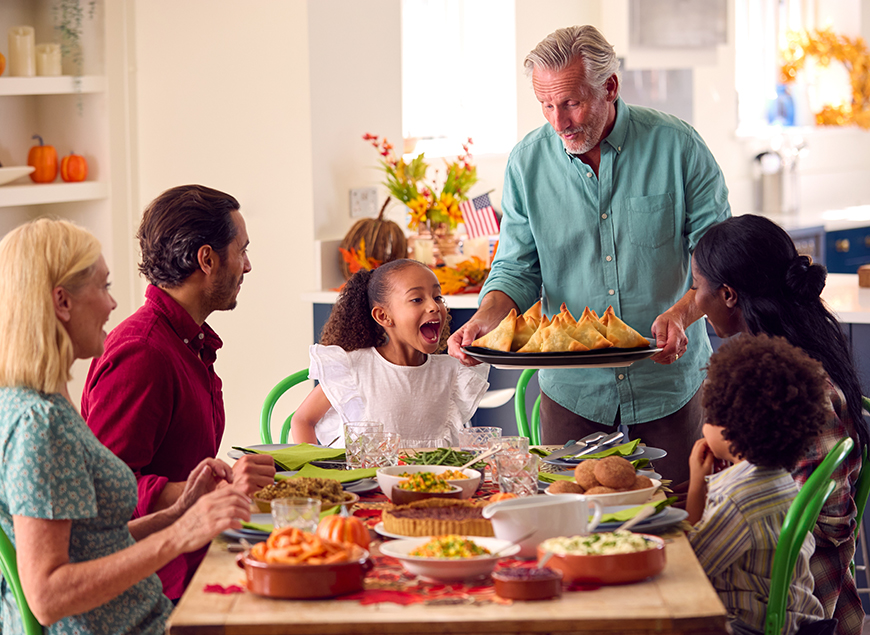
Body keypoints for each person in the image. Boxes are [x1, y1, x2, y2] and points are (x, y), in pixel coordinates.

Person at [447, 25, 730, 485]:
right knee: (569, 529)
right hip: (572, 394)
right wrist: (486, 319)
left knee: (677, 525)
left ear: (610, 88)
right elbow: (516, 269)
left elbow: (717, 263)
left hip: (668, 384)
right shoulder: (527, 162)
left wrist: (680, 314)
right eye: (546, 105)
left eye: (572, 102)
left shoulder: (679, 147)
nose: (559, 121)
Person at [0, 219, 251, 634]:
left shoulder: (36, 403)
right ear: (62, 302)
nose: (113, 305)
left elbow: (91, 544)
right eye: (104, 287)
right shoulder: (40, 424)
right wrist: (181, 534)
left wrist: (180, 511)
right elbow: (47, 597)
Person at [80, 184, 275, 601]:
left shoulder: (183, 340)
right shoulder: (144, 353)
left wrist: (214, 481)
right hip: (158, 581)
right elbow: (108, 493)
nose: (248, 265)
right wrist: (216, 490)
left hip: (190, 554)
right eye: (241, 251)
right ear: (207, 259)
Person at [692, 213, 868, 635]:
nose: (694, 299)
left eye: (697, 286)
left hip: (792, 601)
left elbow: (829, 520)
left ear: (729, 294)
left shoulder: (797, 388)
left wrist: (727, 488)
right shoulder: (778, 366)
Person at [687, 333, 832, 635]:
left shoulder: (738, 500)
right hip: (795, 619)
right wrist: (700, 481)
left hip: (750, 626)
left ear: (732, 428)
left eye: (711, 415)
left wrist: (694, 483)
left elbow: (689, 568)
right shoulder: (778, 477)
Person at [291, 259, 490, 447]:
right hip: (365, 482)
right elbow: (302, 420)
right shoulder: (355, 368)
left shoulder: (452, 372)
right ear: (384, 316)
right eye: (417, 299)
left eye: (437, 297)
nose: (433, 306)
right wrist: (312, 471)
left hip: (433, 482)